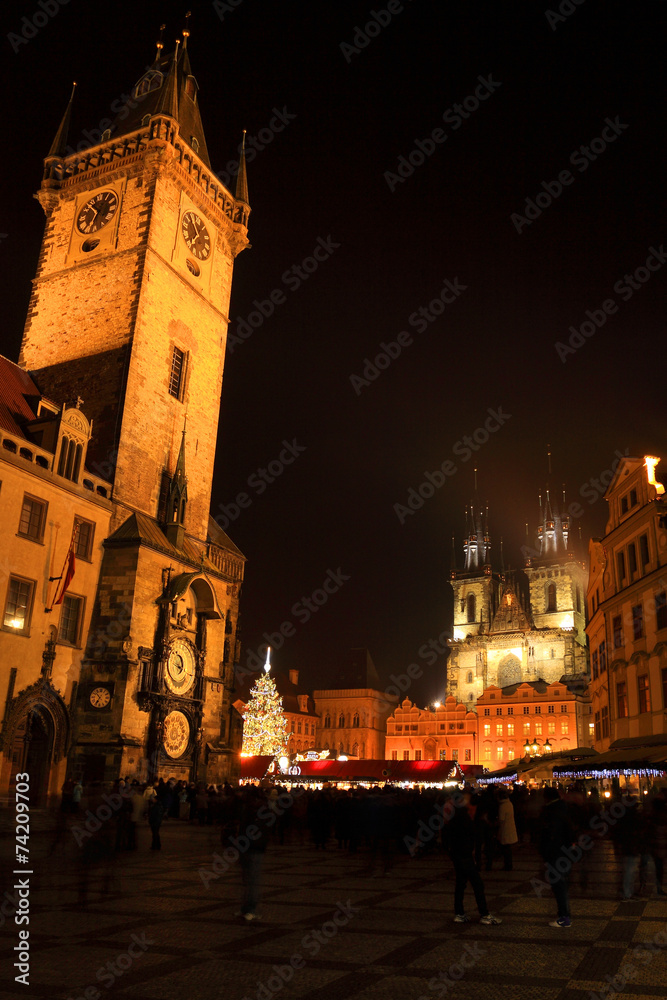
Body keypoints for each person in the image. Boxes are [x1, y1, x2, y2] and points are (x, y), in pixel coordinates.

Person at [443, 789, 502, 925]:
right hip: (464, 854)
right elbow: (470, 833)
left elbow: (448, 834)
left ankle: (459, 913)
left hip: (457, 853)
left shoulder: (453, 814)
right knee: (477, 884)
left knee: (460, 884)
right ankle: (484, 914)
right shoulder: (462, 815)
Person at [537, 786, 576, 927]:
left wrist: (546, 853)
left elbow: (550, 834)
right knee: (562, 885)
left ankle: (564, 917)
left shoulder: (551, 812)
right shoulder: (564, 808)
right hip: (565, 852)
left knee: (559, 886)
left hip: (555, 853)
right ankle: (565, 915)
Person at [497, 788, 518, 870]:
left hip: (505, 829)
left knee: (506, 849)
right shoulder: (509, 804)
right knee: (508, 849)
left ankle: (508, 865)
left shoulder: (502, 806)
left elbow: (501, 819)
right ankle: (508, 864)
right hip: (510, 827)